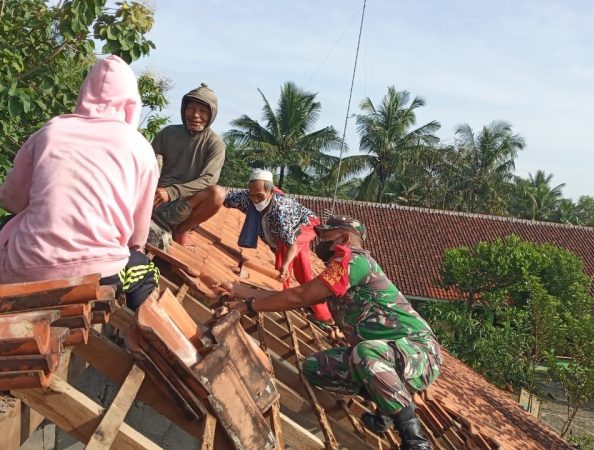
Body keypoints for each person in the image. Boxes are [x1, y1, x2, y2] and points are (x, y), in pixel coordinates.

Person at [220, 215, 442, 450]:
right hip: (383, 356)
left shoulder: (352, 262)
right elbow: (296, 296)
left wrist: (250, 306)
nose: (320, 242)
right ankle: (386, 403)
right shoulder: (340, 267)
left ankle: (416, 440)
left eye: (325, 237)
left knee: (366, 352)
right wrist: (238, 290)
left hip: (418, 352)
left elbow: (299, 297)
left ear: (344, 238)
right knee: (314, 368)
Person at [0, 55, 159, 310]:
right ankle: (140, 339)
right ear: (130, 104)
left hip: (24, 265)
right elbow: (137, 235)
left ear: (84, 93)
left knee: (9, 227)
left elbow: (9, 201)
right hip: (98, 273)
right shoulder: (140, 148)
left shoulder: (50, 131)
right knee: (146, 273)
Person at [223, 168, 332, 323]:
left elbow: (291, 245)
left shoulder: (280, 210)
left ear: (271, 192)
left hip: (306, 226)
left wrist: (286, 265)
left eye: (259, 196)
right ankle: (319, 311)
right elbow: (224, 198)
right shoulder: (244, 198)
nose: (255, 199)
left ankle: (287, 299)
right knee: (298, 271)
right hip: (283, 239)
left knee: (288, 265)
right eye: (252, 195)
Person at [151, 83, 226, 246]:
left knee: (218, 194)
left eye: (203, 111)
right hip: (155, 199)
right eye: (191, 108)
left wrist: (171, 192)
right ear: (184, 109)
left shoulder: (215, 144)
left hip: (185, 205)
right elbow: (145, 162)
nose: (195, 115)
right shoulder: (168, 133)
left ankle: (183, 229)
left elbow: (209, 180)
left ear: (212, 114)